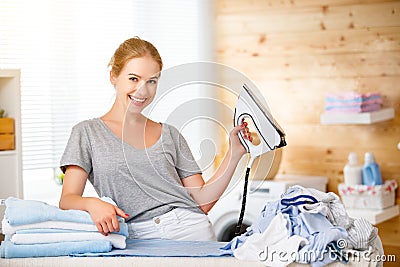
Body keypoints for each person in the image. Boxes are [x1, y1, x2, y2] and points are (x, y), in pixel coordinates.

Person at [59, 37, 253, 241]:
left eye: (151, 81)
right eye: (133, 79)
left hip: (190, 229)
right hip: (135, 237)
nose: (143, 90)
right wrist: (92, 203)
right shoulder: (87, 133)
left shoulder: (170, 134)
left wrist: (234, 153)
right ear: (113, 77)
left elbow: (202, 202)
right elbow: (67, 200)